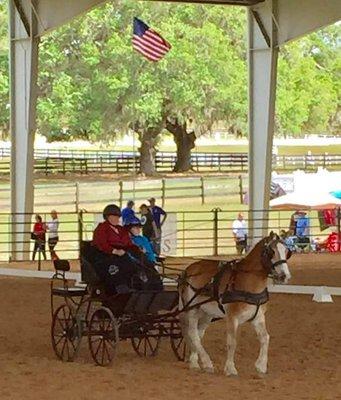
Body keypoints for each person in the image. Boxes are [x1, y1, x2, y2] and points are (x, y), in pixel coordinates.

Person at [91, 204, 149, 294]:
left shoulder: (121, 230)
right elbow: (101, 244)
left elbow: (128, 243)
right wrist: (114, 251)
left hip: (122, 253)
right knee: (122, 262)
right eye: (113, 216)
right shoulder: (101, 228)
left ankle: (145, 280)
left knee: (140, 258)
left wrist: (137, 249)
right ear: (107, 217)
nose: (116, 219)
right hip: (106, 256)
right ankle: (121, 286)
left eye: (117, 217)